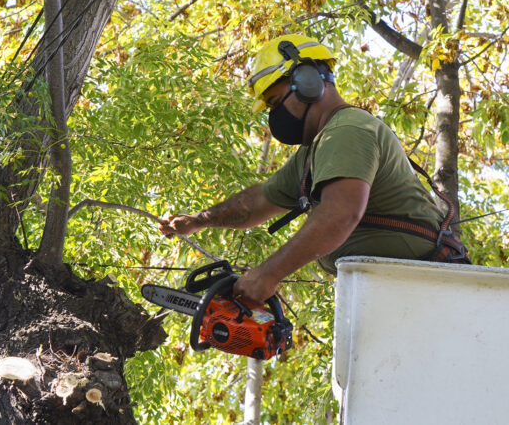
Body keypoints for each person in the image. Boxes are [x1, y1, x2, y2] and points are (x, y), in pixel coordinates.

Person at [158, 34, 469, 304]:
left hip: (434, 289)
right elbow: (257, 203)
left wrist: (268, 274)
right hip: (399, 290)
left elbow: (340, 213)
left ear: (308, 82)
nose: (274, 116)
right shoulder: (314, 152)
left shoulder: (348, 129)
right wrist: (197, 221)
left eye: (276, 102)